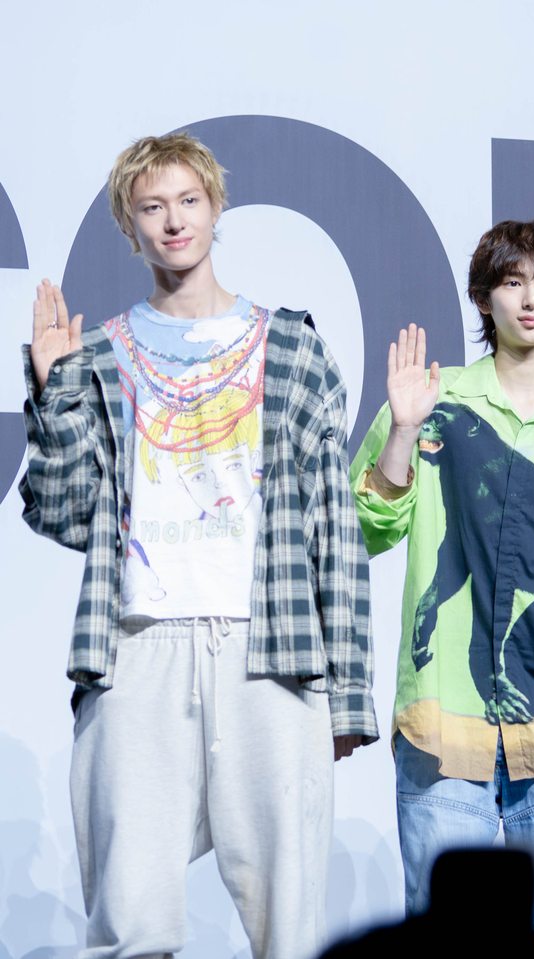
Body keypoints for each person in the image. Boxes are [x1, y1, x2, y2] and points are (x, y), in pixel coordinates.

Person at [20, 131, 374, 959]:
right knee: (130, 919)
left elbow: (333, 524)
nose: (172, 221)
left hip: (270, 647)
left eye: (187, 201)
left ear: (216, 209)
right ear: (129, 225)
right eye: (151, 206)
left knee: (288, 929)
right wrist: (55, 388)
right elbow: (61, 512)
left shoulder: (289, 345)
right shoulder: (101, 352)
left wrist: (348, 692)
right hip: (138, 647)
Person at [349, 218, 534, 959]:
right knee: (446, 942)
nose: (530, 299)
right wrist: (404, 433)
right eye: (512, 281)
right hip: (443, 708)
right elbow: (369, 527)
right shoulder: (432, 399)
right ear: (484, 297)